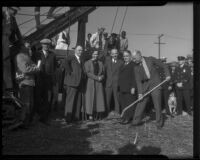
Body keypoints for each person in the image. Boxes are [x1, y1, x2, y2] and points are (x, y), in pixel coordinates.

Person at [131, 50, 171, 129]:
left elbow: (164, 65)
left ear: (139, 55)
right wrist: (140, 93)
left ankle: (159, 124)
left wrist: (168, 74)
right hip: (145, 86)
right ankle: (135, 122)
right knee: (140, 103)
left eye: (135, 58)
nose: (134, 60)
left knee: (157, 105)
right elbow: (138, 81)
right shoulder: (135, 67)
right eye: (133, 59)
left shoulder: (150, 59)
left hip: (156, 85)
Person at [16, 46, 41, 128]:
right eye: (27, 47)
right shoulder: (20, 56)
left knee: (30, 104)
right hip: (25, 83)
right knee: (26, 104)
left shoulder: (27, 57)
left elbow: (33, 66)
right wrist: (35, 68)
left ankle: (27, 122)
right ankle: (23, 122)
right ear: (23, 48)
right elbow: (25, 69)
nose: (29, 49)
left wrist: (34, 68)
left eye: (30, 47)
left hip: (30, 83)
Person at [36, 38, 57, 125]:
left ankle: (45, 118)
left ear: (49, 46)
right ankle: (38, 116)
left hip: (49, 81)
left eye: (48, 45)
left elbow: (55, 67)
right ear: (42, 45)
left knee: (48, 98)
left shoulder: (52, 55)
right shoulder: (37, 54)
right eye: (44, 44)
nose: (46, 46)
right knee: (38, 98)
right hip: (39, 80)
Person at [63, 45, 85, 124]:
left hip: (79, 83)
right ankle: (68, 118)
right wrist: (70, 72)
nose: (80, 52)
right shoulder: (71, 57)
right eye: (79, 50)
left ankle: (76, 118)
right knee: (70, 101)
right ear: (75, 50)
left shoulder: (81, 59)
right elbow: (64, 62)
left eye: (81, 50)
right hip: (71, 83)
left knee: (77, 101)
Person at [84, 50, 106, 120]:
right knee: (90, 99)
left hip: (98, 84)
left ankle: (97, 114)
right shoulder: (87, 63)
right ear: (91, 54)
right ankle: (90, 114)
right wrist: (97, 78)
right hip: (90, 83)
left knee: (98, 99)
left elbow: (103, 73)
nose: (95, 55)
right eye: (94, 54)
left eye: (96, 54)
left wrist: (102, 77)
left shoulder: (101, 63)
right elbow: (87, 73)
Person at [118, 50, 137, 124]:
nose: (125, 57)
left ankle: (128, 118)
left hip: (129, 88)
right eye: (124, 56)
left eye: (127, 56)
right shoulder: (122, 65)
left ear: (130, 56)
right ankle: (124, 117)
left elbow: (135, 77)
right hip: (122, 87)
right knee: (123, 103)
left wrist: (133, 87)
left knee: (129, 103)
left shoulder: (133, 65)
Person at [104, 48, 123, 115]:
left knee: (117, 99)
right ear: (111, 54)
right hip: (108, 83)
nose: (115, 54)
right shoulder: (107, 62)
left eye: (116, 53)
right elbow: (104, 72)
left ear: (117, 54)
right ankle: (106, 113)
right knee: (107, 99)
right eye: (113, 53)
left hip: (117, 84)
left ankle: (118, 113)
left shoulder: (121, 62)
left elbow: (122, 74)